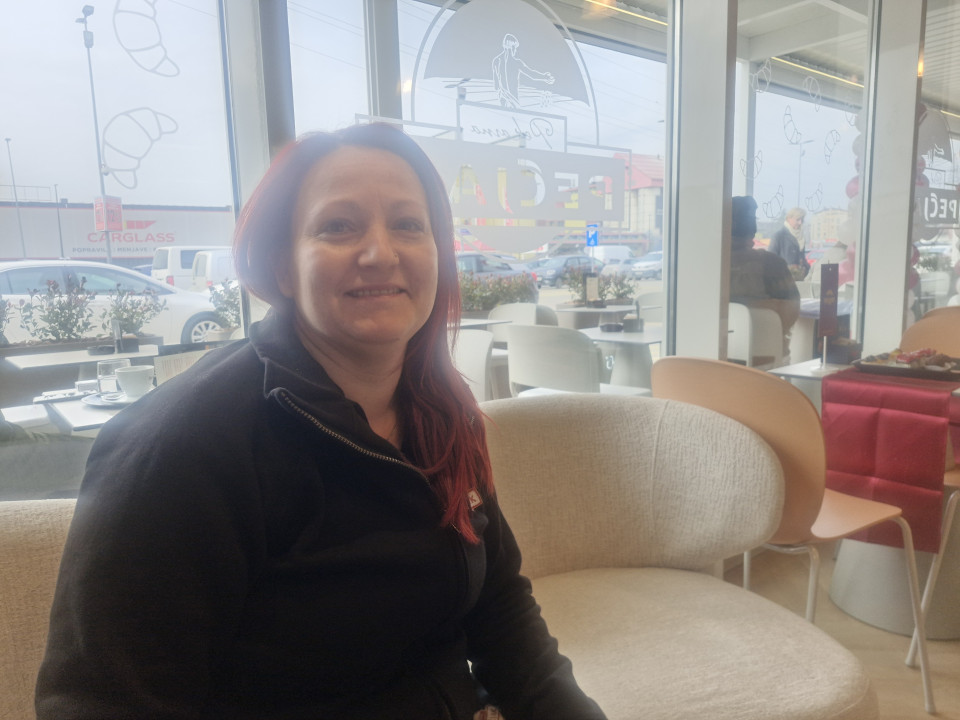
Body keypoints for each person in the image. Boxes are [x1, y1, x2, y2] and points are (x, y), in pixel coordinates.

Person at [35, 124, 605, 720]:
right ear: (282, 265)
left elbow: (501, 612)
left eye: (409, 224)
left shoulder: (442, 412)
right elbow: (101, 703)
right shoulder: (181, 446)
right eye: (338, 226)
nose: (381, 253)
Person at [729, 196, 800, 358]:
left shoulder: (709, 266)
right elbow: (791, 311)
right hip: (766, 357)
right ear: (752, 227)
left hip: (712, 358)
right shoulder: (772, 264)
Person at [768, 206, 809, 280]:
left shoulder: (801, 237)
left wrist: (806, 268)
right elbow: (770, 261)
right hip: (784, 281)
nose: (800, 223)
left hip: (800, 281)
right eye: (798, 219)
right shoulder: (778, 236)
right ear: (789, 219)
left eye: (802, 220)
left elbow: (802, 259)